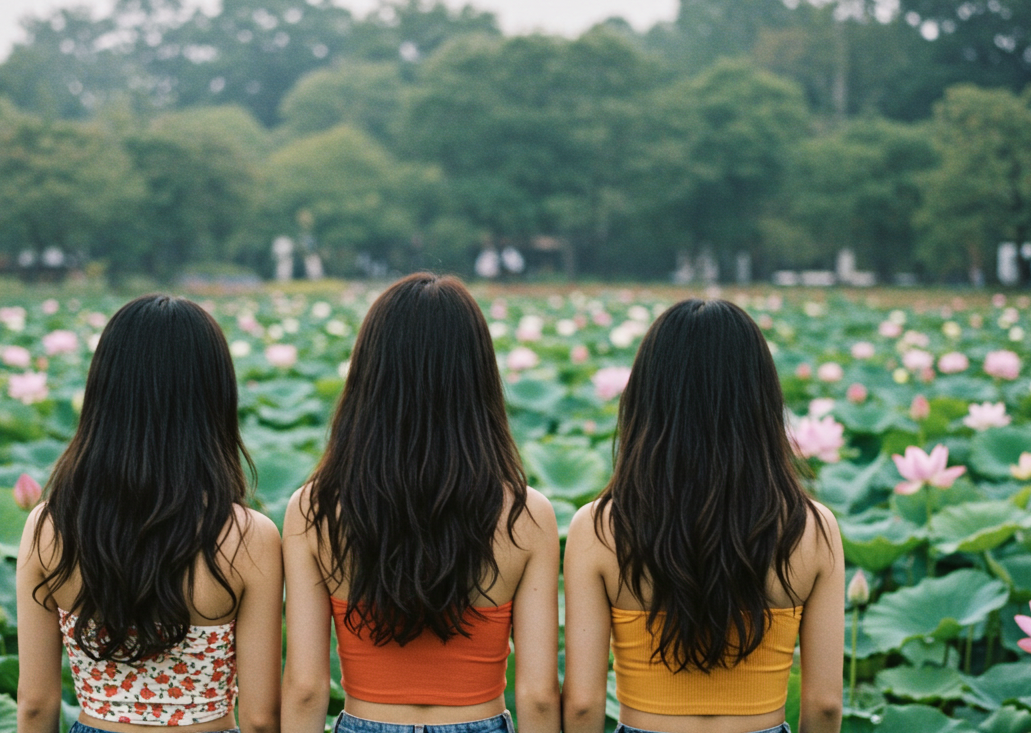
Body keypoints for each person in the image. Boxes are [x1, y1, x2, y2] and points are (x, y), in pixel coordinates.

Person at [282, 273, 561, 733]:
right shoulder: (527, 515)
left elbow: (307, 688)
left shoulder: (314, 509)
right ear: (478, 377)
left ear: (368, 375)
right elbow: (537, 695)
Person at [563, 299, 844, 733]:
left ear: (646, 397)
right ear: (761, 399)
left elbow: (582, 705)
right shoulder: (813, 528)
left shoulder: (599, 528)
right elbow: (825, 705)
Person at [17, 295, 283, 733]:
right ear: (216, 395)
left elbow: (34, 704)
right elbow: (258, 718)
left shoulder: (48, 527)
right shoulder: (250, 537)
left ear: (103, 392)